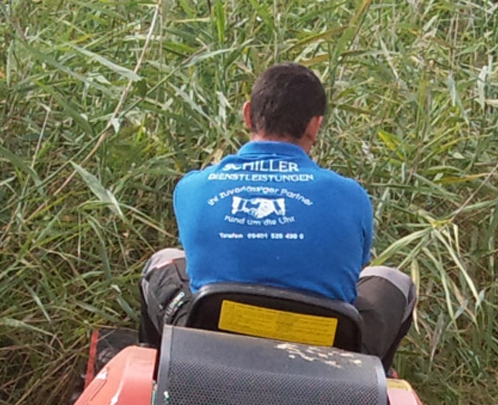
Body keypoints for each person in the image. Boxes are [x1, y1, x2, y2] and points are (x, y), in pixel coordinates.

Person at [139, 63, 417, 366]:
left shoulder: (193, 187)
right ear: (315, 125)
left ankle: (160, 381)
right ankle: (366, 393)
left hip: (210, 343)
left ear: (247, 114)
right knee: (392, 280)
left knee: (163, 260)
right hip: (323, 352)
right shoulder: (351, 195)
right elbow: (353, 271)